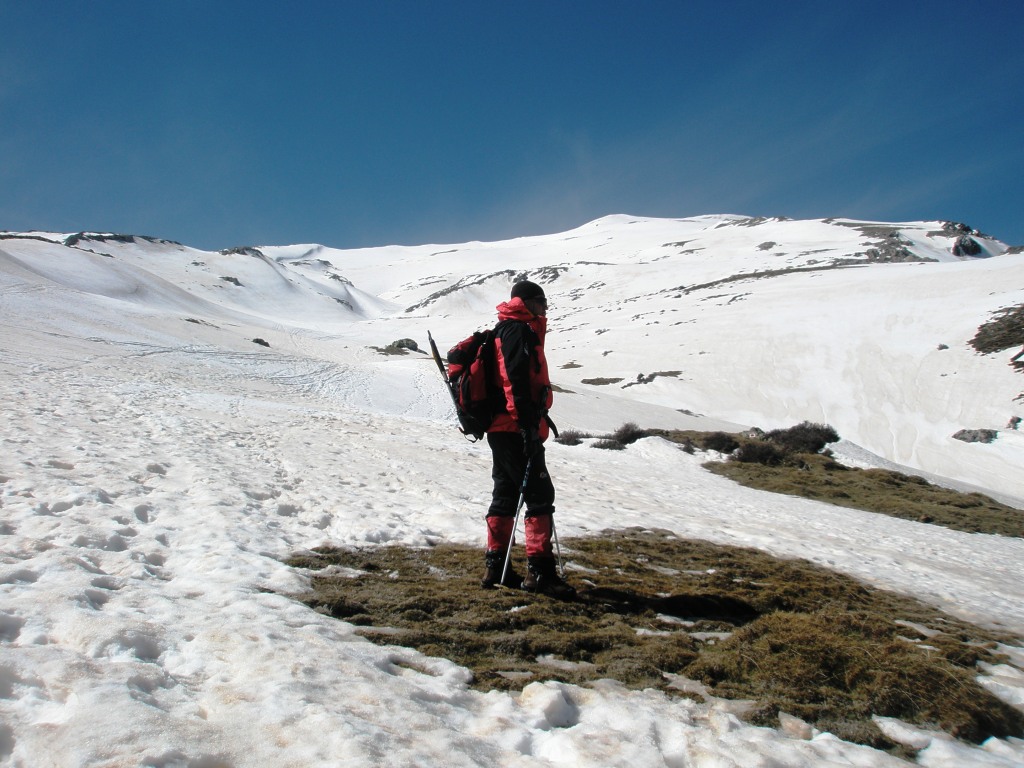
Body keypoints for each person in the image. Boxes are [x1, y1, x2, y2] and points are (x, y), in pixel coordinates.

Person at [479, 280, 575, 597]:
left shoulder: (507, 329)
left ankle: (497, 567)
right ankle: (541, 574)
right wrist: (526, 427)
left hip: (503, 427)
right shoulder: (517, 331)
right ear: (529, 302)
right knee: (539, 495)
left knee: (506, 494)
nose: (545, 308)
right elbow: (513, 380)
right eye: (542, 302)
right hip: (514, 428)